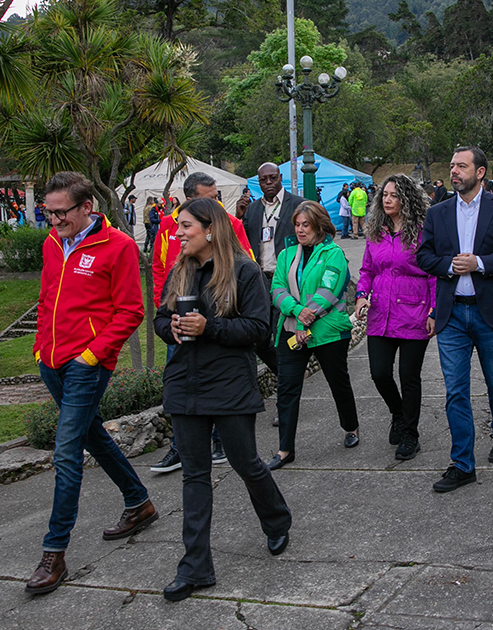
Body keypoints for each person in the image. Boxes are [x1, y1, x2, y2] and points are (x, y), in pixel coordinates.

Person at [154, 197, 291, 602]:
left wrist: (209, 326)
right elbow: (160, 318)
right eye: (178, 227)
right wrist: (172, 328)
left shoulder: (245, 272)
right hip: (185, 385)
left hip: (229, 385)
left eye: (185, 227)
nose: (178, 234)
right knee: (194, 475)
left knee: (246, 462)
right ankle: (195, 568)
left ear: (210, 229)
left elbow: (257, 329)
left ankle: (277, 521)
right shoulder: (180, 270)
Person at [26, 171, 153, 595]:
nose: (54, 220)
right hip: (53, 360)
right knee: (92, 435)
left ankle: (54, 552)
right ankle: (139, 502)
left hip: (87, 364)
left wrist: (92, 354)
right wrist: (42, 348)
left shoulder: (117, 246)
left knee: (66, 452)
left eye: (62, 213)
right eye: (49, 213)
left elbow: (131, 311)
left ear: (87, 208)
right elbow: (46, 299)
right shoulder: (51, 243)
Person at [416, 146, 493, 492]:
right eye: (451, 166)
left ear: (480, 172)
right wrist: (449, 265)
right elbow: (424, 255)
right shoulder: (438, 212)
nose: (454, 171)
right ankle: (463, 463)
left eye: (461, 166)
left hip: (489, 311)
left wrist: (478, 263)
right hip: (452, 313)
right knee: (456, 391)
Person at [149, 172, 254, 474]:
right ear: (191, 199)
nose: (217, 202)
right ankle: (179, 448)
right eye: (209, 198)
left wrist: (215, 319)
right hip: (180, 319)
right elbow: (159, 264)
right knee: (182, 389)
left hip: (219, 323)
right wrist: (165, 306)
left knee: (221, 392)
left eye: (217, 196)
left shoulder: (230, 225)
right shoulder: (169, 225)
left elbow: (246, 261)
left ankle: (222, 441)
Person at [267, 201, 360, 470]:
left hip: (328, 332)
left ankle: (351, 427)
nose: (300, 229)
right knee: (286, 389)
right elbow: (277, 289)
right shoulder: (286, 255)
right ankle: (285, 449)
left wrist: (307, 315)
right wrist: (297, 312)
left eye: (305, 224)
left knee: (337, 382)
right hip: (291, 331)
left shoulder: (334, 253)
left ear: (319, 225)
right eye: (297, 224)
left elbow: (329, 290)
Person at [354, 174, 435, 461]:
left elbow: (433, 273)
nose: (387, 199)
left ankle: (411, 434)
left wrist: (434, 310)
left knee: (409, 376)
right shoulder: (376, 231)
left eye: (394, 195)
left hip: (414, 313)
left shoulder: (423, 232)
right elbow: (367, 271)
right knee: (379, 373)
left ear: (407, 199)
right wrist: (361, 294)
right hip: (381, 314)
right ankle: (398, 412)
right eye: (384, 195)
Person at [241, 162, 304, 427]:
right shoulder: (253, 211)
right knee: (259, 338)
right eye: (263, 179)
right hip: (259, 282)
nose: (268, 182)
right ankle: (287, 378)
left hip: (287, 282)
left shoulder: (296, 204)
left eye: (272, 178)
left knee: (282, 338)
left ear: (280, 179)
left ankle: (285, 398)